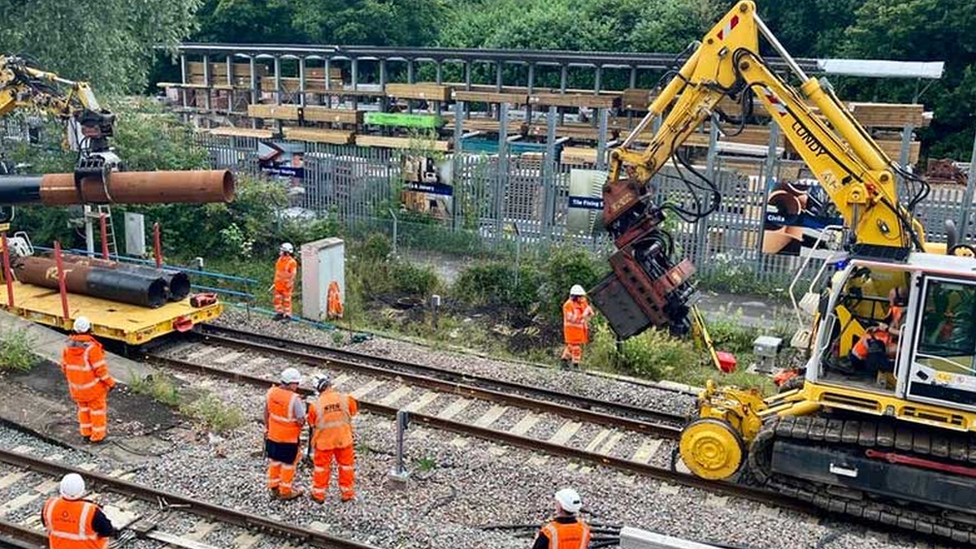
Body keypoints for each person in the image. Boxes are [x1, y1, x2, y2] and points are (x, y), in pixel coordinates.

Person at [60, 317, 116, 443]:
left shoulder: (67, 347)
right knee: (97, 412)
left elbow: (64, 367)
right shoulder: (92, 349)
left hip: (76, 389)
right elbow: (100, 371)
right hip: (93, 390)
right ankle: (97, 437)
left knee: (83, 411)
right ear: (89, 329)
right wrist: (111, 383)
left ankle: (86, 434)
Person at [307, 372, 358, 503]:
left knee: (321, 469)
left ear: (317, 389)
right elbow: (352, 412)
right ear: (329, 383)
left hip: (324, 442)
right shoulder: (346, 399)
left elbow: (312, 423)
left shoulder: (315, 405)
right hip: (344, 439)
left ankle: (319, 495)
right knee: (346, 467)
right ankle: (347, 494)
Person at [42, 473, 117, 548]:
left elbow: (46, 523)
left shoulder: (50, 506)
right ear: (82, 490)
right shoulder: (90, 511)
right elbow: (107, 531)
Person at [265, 367, 306, 500]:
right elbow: (300, 420)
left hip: (272, 436)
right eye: (297, 383)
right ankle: (286, 492)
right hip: (289, 440)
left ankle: (274, 487)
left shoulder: (271, 393)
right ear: (290, 383)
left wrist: (267, 428)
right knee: (288, 465)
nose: (298, 386)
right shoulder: (294, 399)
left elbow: (266, 413)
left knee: (275, 461)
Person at [561, 285, 595, 370]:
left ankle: (564, 361)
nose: (582, 298)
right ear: (574, 296)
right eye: (580, 296)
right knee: (576, 348)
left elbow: (590, 312)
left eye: (582, 296)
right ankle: (576, 365)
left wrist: (589, 312)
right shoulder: (568, 305)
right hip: (571, 330)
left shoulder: (583, 302)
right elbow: (571, 318)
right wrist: (583, 315)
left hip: (580, 330)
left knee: (570, 347)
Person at [273, 243, 298, 320]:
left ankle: (287, 315)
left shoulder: (292, 262)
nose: (280, 252)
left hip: (286, 285)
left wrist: (290, 283)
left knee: (287, 301)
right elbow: (278, 271)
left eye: (282, 250)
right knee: (277, 300)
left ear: (286, 252)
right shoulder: (280, 260)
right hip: (278, 284)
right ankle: (279, 313)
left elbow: (293, 274)